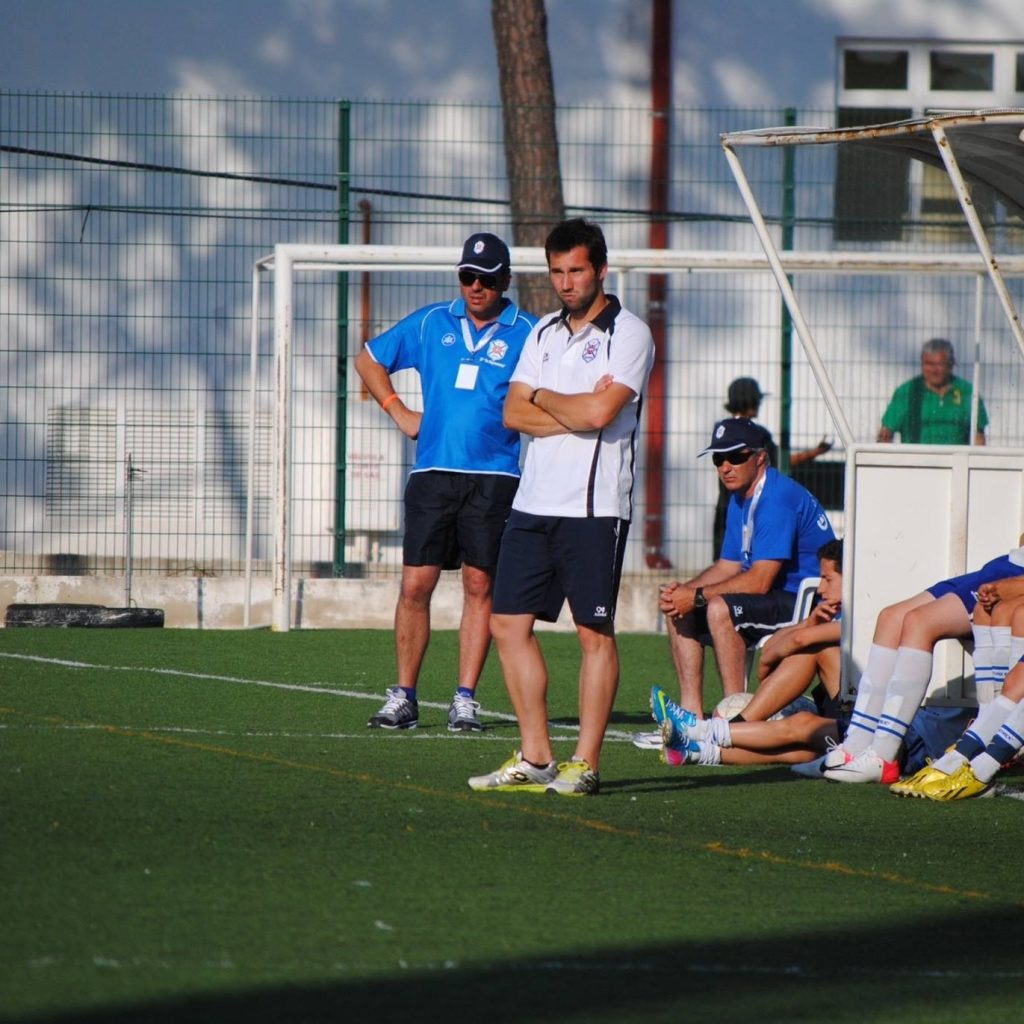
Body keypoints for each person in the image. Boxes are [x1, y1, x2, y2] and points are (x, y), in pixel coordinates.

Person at [467, 218, 655, 796]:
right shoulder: (543, 331)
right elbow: (512, 413)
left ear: (600, 268)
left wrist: (548, 400)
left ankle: (587, 763)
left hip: (595, 508)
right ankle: (537, 755)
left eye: (576, 270)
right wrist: (566, 403)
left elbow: (601, 416)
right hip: (533, 502)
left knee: (593, 633)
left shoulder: (630, 333)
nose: (566, 282)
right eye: (556, 271)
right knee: (506, 623)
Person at [354, 232, 537, 733]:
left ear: (506, 281)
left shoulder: (530, 331)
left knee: (480, 586)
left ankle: (464, 699)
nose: (475, 287)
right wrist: (398, 410)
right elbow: (368, 358)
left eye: (487, 278)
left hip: (496, 476)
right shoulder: (434, 321)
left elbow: (559, 382)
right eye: (467, 276)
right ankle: (404, 697)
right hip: (432, 472)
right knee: (416, 584)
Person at [656, 418, 835, 723]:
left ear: (760, 458)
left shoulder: (777, 498)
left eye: (736, 457)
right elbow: (728, 566)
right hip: (776, 594)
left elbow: (760, 580)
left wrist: (697, 596)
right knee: (679, 607)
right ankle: (691, 718)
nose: (725, 466)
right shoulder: (741, 496)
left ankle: (734, 717)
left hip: (807, 601)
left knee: (716, 608)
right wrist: (683, 593)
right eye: (718, 458)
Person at [822, 547, 1024, 784]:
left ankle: (884, 754)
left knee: (919, 622)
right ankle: (856, 745)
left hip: (1017, 572)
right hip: (1010, 561)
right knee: (891, 617)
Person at [652, 539, 846, 768]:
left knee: (814, 662)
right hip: (844, 727)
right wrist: (810, 622)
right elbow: (771, 650)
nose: (821, 588)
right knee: (805, 752)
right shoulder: (831, 613)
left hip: (858, 727)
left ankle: (709, 729)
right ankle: (697, 752)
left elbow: (797, 642)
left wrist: (800, 635)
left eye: (828, 579)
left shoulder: (860, 619)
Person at [712, 377, 832, 559]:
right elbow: (783, 462)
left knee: (725, 562)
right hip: (751, 508)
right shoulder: (758, 435)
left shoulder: (720, 431)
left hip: (725, 506)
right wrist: (815, 452)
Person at [877, 337, 987, 446]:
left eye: (940, 364)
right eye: (929, 364)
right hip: (916, 461)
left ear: (951, 364)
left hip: (956, 461)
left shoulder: (967, 391)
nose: (934, 370)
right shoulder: (907, 392)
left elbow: (979, 437)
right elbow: (885, 434)